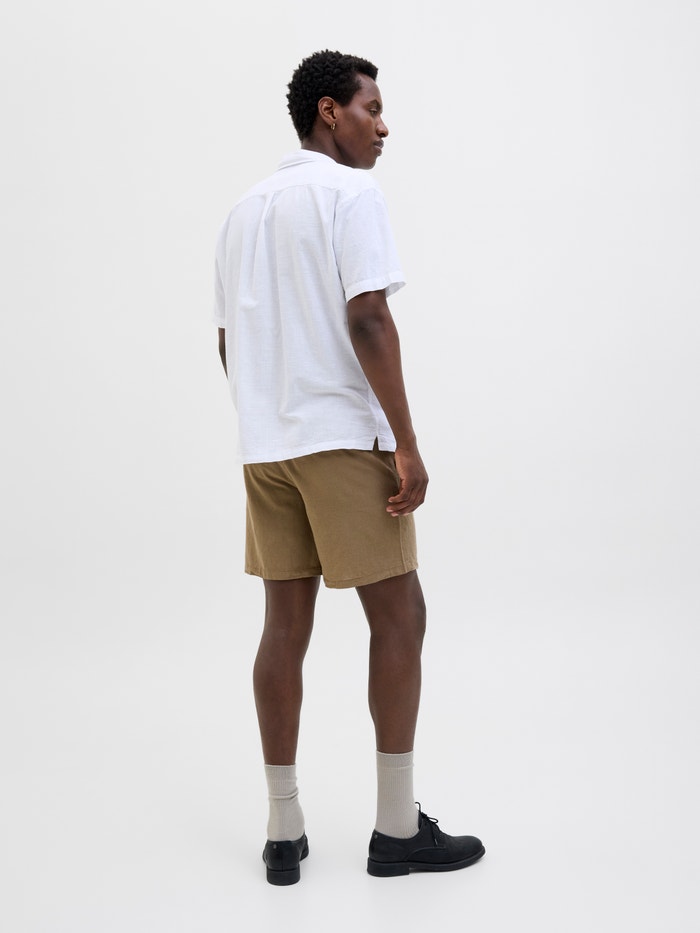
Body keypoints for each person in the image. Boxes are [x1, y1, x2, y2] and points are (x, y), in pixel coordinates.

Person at [213, 49, 485, 885]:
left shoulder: (242, 211)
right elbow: (368, 318)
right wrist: (406, 440)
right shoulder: (349, 193)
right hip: (338, 437)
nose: (383, 125)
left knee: (283, 627)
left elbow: (227, 341)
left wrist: (268, 414)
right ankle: (397, 830)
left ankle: (283, 828)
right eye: (372, 108)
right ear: (329, 111)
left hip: (267, 447)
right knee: (401, 617)